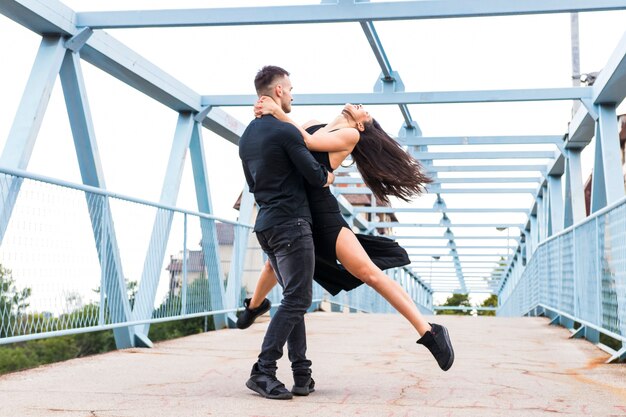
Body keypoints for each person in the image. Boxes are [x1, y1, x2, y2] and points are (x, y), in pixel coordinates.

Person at [237, 97, 455, 372]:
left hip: (324, 217)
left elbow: (306, 142)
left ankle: (429, 332)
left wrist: (277, 112)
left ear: (363, 125)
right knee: (272, 263)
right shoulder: (312, 123)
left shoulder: (349, 134)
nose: (359, 106)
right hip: (296, 212)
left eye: (365, 109)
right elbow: (282, 150)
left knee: (369, 272)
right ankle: (255, 306)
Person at [238, 65, 335, 400]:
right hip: (291, 223)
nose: (292, 94)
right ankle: (263, 371)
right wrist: (327, 175)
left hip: (266, 226)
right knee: (298, 298)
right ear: (278, 91)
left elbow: (253, 185)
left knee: (294, 298)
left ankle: (302, 374)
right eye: (290, 89)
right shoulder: (286, 132)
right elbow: (314, 174)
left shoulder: (247, 136)